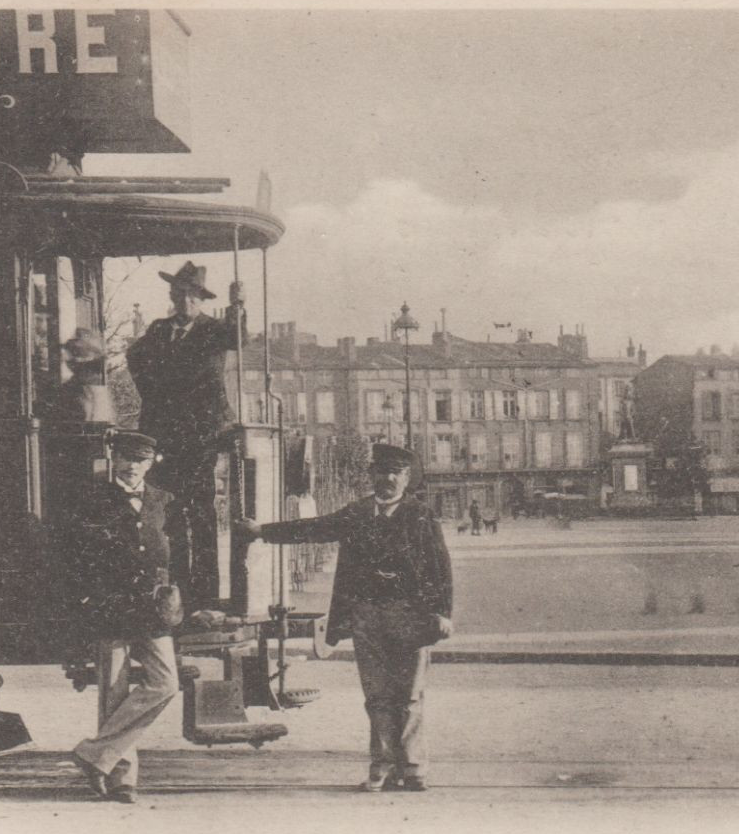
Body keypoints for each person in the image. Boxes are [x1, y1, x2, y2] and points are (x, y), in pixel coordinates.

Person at [239, 444, 452, 792]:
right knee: (377, 696)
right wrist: (263, 531)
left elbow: (440, 568)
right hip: (367, 617)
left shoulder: (421, 516)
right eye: (381, 472)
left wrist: (442, 612)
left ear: (407, 478)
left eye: (396, 473)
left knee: (410, 696)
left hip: (411, 618)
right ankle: (382, 766)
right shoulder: (357, 513)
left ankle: (413, 768)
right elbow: (314, 528)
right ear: (371, 476)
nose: (388, 479)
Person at [64, 432, 183, 804]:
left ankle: (92, 753)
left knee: (165, 683)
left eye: (141, 459)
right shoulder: (91, 498)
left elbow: (178, 553)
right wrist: (83, 597)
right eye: (126, 458)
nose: (132, 466)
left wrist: (180, 598)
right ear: (113, 459)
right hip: (109, 606)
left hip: (152, 607)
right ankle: (121, 780)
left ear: (152, 463)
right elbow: (73, 554)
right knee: (113, 694)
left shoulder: (164, 500)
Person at [127, 261, 241, 609]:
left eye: (192, 296)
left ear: (201, 300)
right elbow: (135, 357)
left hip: (202, 437)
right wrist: (154, 395)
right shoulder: (159, 331)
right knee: (168, 518)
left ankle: (204, 598)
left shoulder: (213, 330)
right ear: (172, 296)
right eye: (180, 294)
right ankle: (175, 594)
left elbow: (237, 338)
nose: (186, 301)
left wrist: (238, 307)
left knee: (202, 515)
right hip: (165, 436)